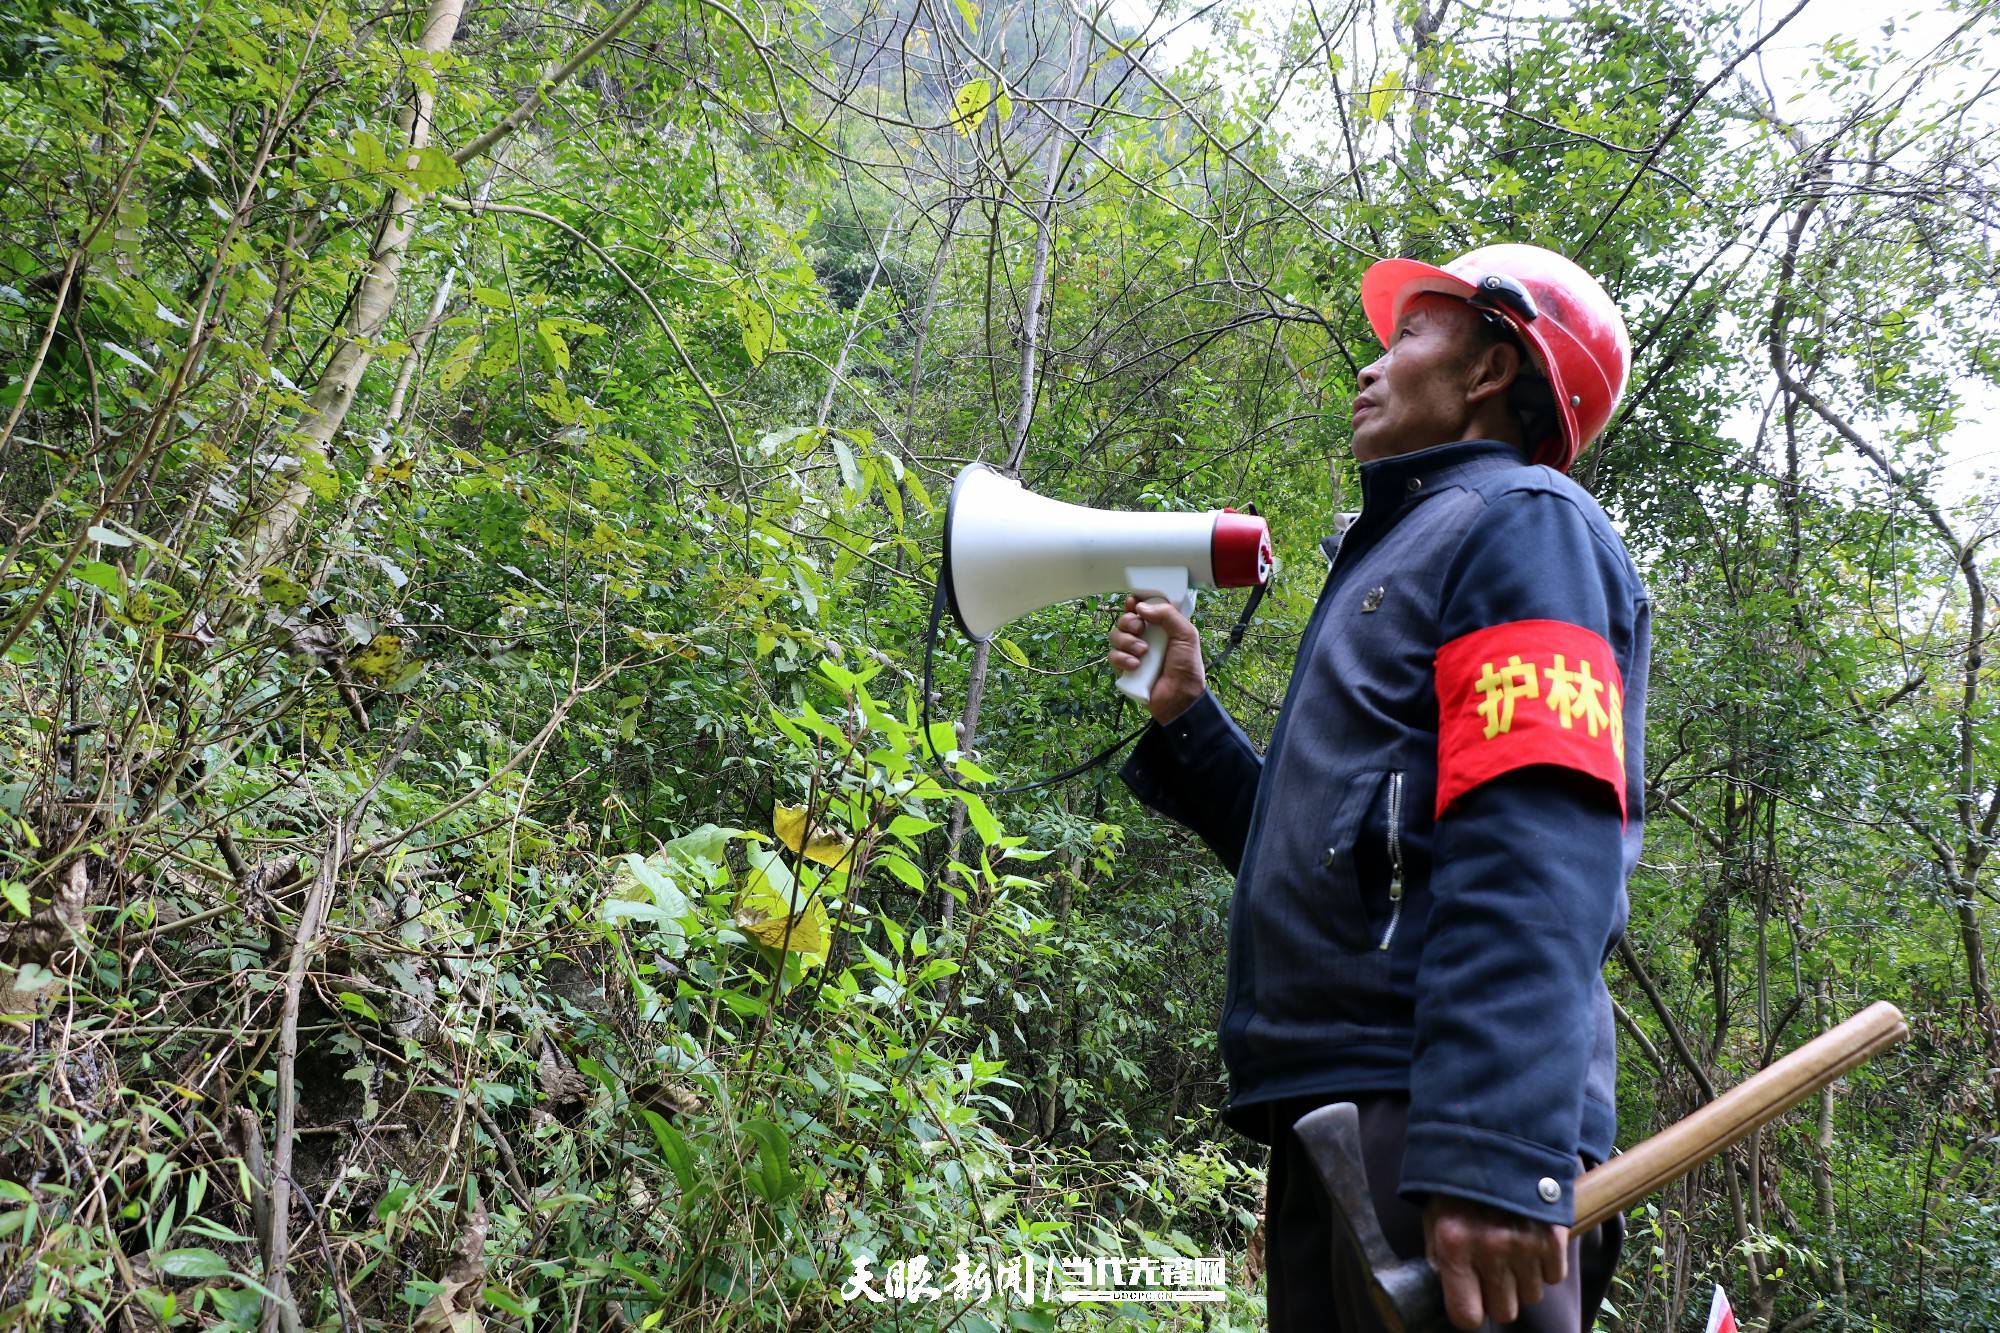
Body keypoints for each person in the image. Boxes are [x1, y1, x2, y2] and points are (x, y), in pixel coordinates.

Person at [1106, 244, 1648, 1332]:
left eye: (1407, 335)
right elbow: (1331, 851)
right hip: (1346, 1118)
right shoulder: (1397, 550)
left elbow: (1536, 830)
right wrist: (1188, 721)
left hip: (1435, 1119)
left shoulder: (1523, 521)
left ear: (1491, 369)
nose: (1371, 363)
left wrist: (1495, 1141)